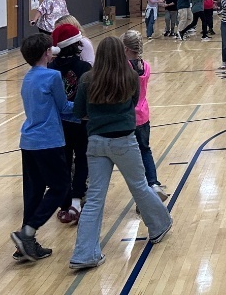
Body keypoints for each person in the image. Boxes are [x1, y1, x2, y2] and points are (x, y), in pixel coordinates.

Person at [68, 35, 172, 270]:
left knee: (94, 198)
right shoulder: (130, 77)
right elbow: (133, 103)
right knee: (139, 186)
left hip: (95, 142)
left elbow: (78, 112)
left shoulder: (87, 79)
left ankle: (84, 254)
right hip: (125, 140)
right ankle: (159, 225)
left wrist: (96, 117)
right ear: (120, 53)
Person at [10, 33, 73, 263]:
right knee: (60, 186)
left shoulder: (27, 77)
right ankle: (27, 232)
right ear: (47, 53)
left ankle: (26, 246)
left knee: (34, 192)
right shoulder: (52, 76)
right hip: (49, 141)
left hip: (28, 142)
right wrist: (88, 104)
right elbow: (65, 107)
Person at [48, 23, 92, 224]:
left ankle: (65, 203)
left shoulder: (50, 68)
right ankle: (76, 200)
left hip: (59, 124)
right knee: (82, 159)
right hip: (81, 122)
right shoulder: (85, 68)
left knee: (63, 161)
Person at [122, 30, 169, 200]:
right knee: (145, 151)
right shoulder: (146, 66)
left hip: (128, 118)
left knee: (132, 160)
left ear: (126, 48)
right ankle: (154, 183)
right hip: (143, 116)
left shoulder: (124, 68)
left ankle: (142, 194)